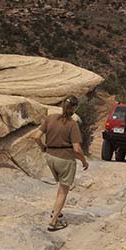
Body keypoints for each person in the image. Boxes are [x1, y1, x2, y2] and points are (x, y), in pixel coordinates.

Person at [34, 95, 89, 231]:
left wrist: (42, 147)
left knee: (60, 186)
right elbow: (76, 149)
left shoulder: (50, 118)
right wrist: (84, 160)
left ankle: (56, 211)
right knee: (64, 190)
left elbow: (36, 136)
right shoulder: (72, 124)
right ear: (75, 108)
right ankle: (54, 222)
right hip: (65, 159)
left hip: (50, 157)